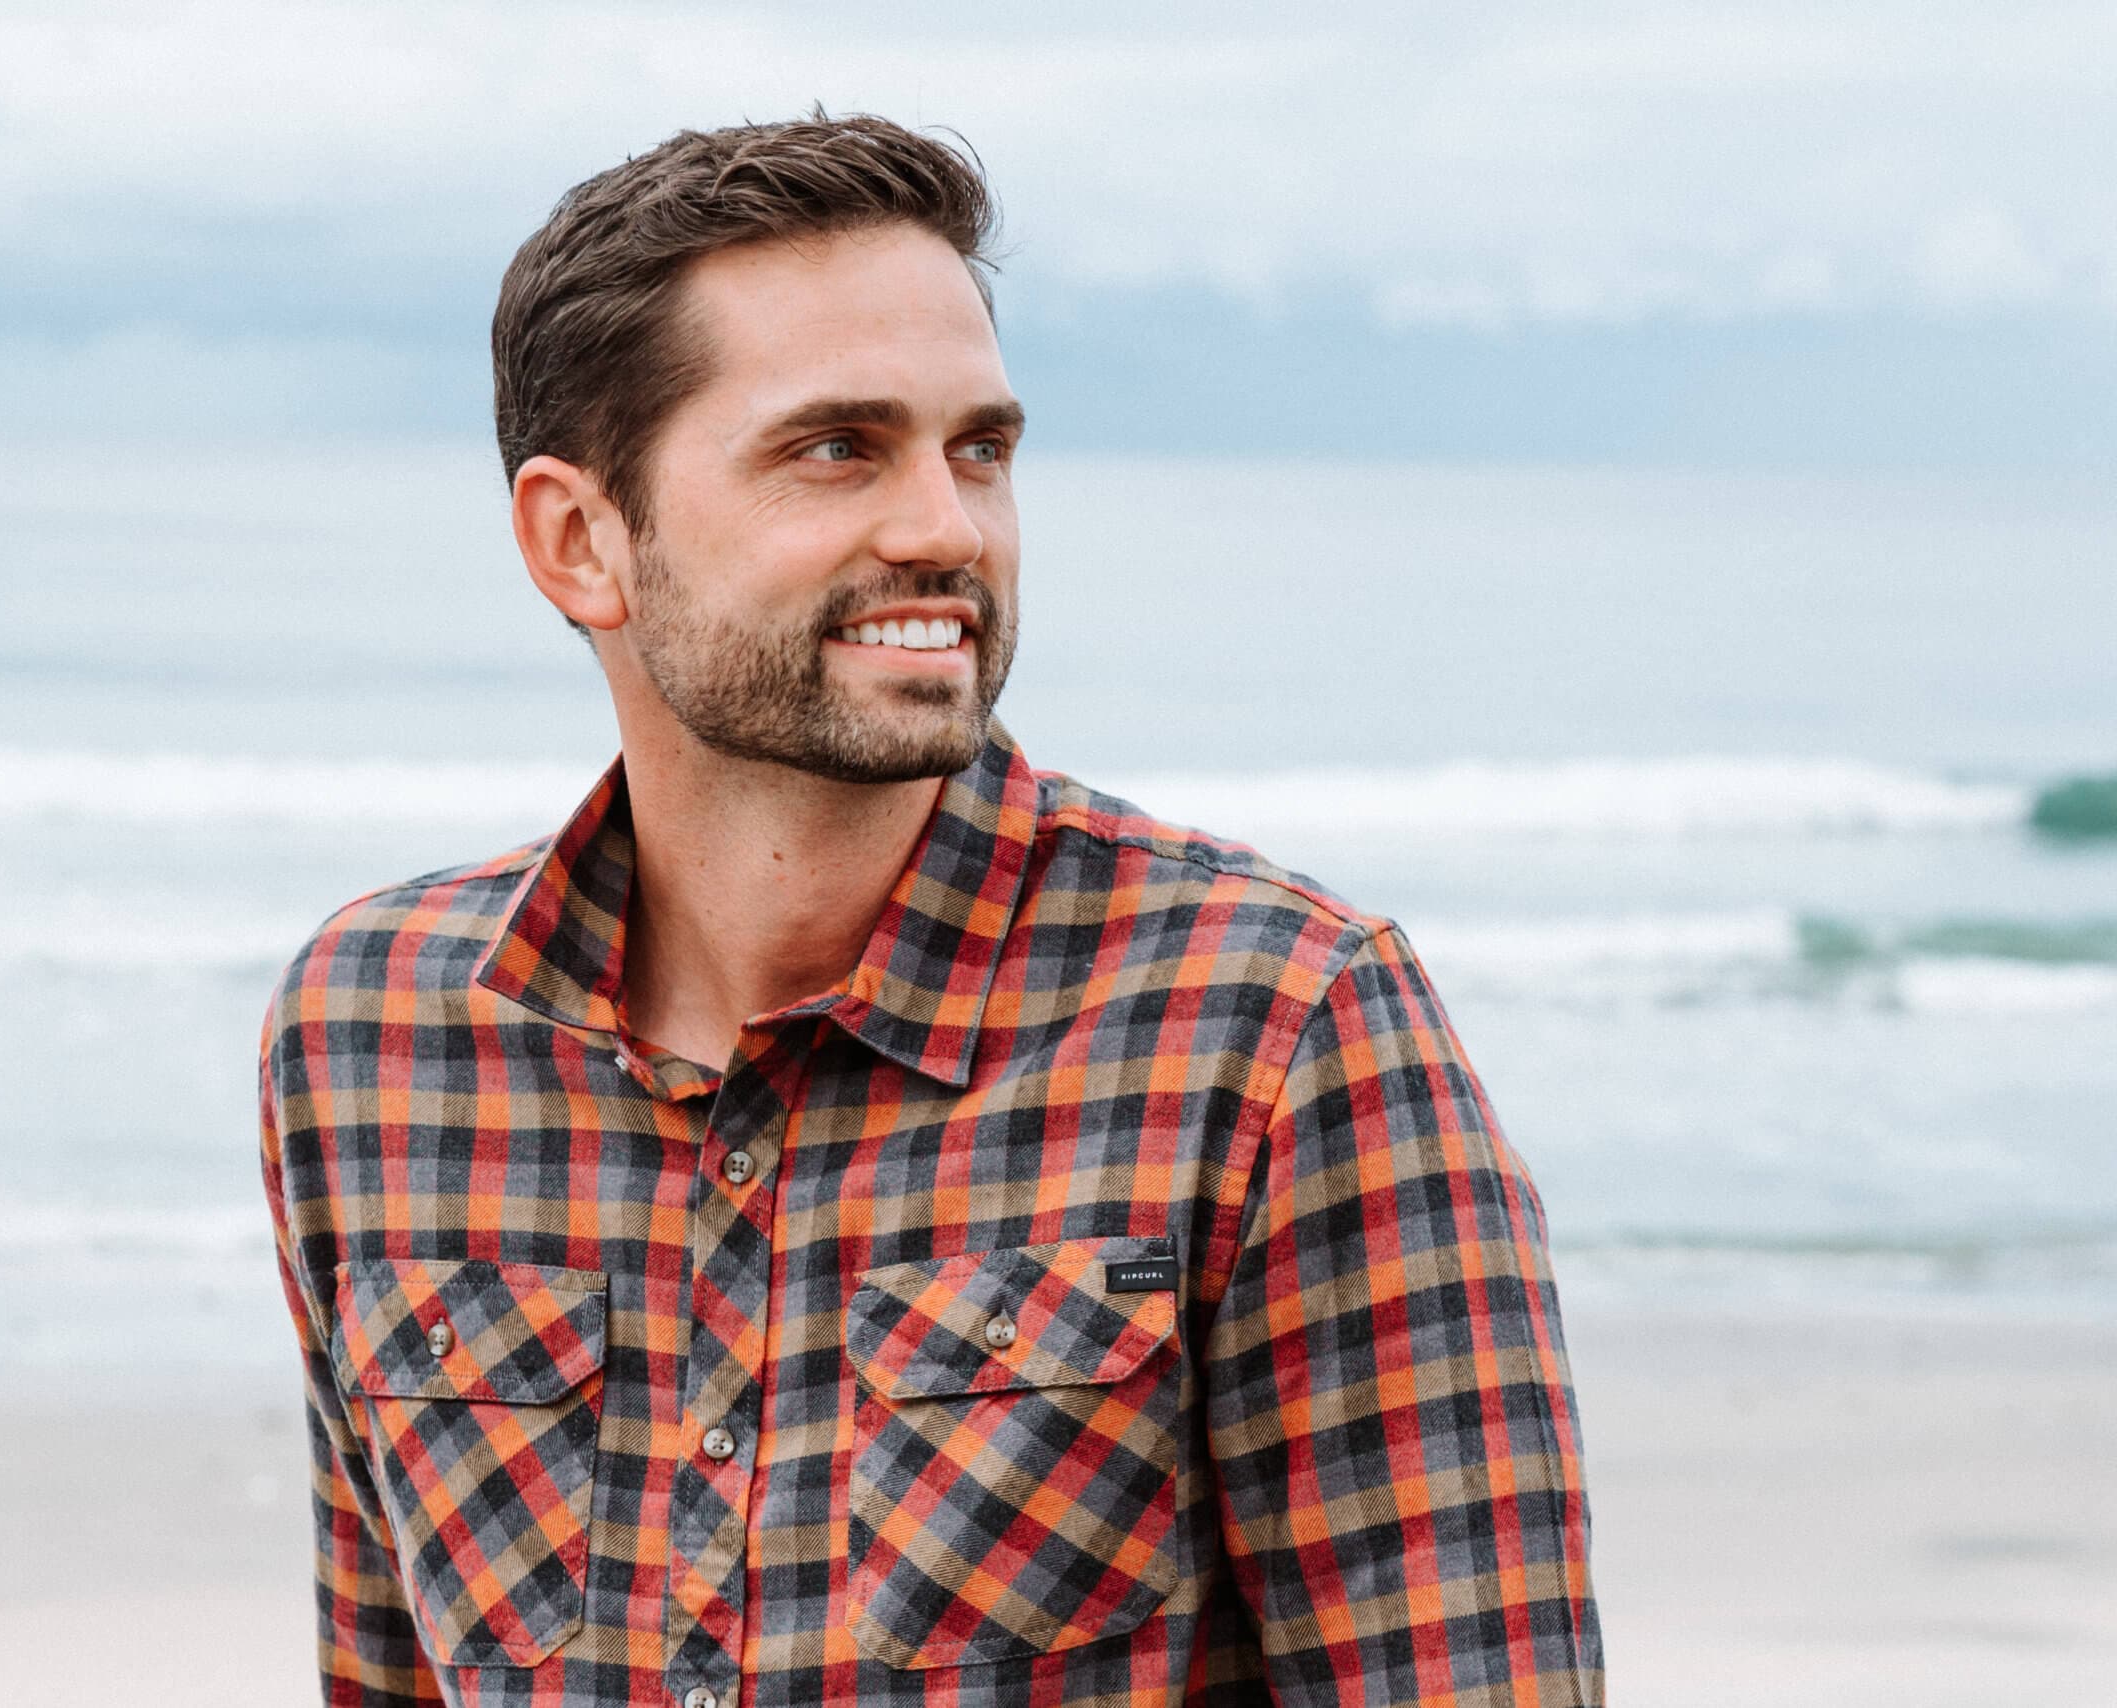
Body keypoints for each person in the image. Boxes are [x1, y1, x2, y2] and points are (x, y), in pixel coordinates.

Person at [260, 111, 1602, 1708]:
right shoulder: (376, 1038)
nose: (947, 529)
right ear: (580, 541)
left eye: (980, 449)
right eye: (838, 447)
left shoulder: (1280, 1026)